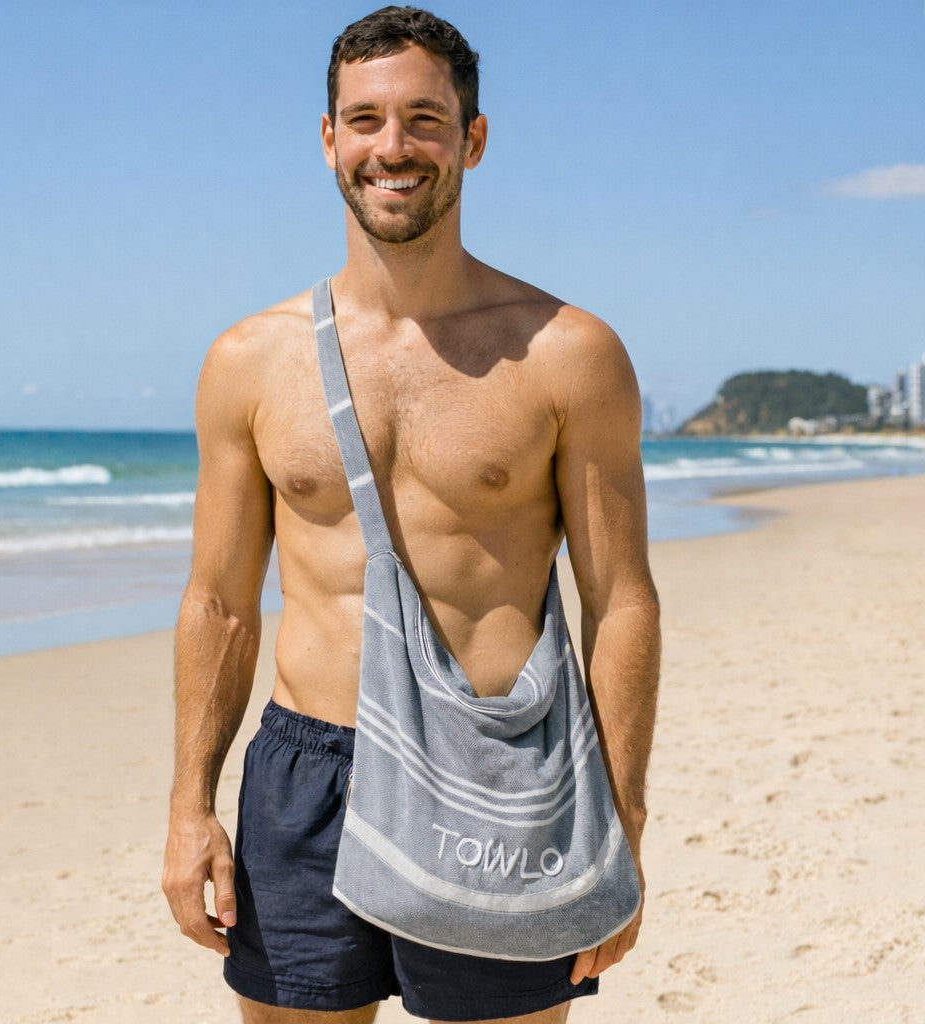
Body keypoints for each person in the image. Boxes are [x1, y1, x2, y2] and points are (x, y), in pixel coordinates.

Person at [162, 6, 660, 1023]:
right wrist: (188, 806)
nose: (393, 147)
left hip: (500, 776)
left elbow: (619, 601)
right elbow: (218, 601)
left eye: (425, 119)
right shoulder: (248, 362)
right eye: (366, 119)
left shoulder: (567, 352)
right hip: (310, 772)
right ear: (328, 137)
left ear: (472, 139)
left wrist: (622, 817)